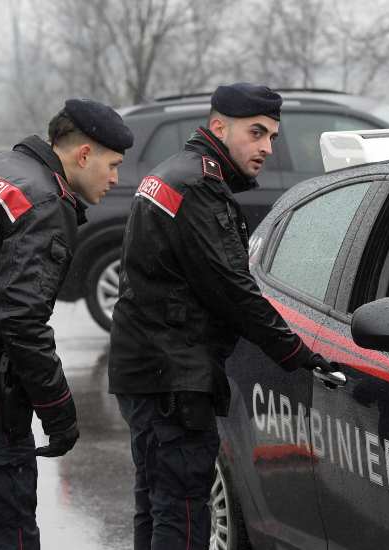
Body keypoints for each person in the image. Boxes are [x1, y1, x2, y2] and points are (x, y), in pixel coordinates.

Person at [108, 83, 335, 550]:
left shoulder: (172, 172)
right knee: (184, 510)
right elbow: (233, 288)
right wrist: (297, 352)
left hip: (146, 367)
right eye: (256, 133)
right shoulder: (200, 187)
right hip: (174, 375)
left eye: (271, 136)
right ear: (218, 126)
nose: (266, 148)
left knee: (156, 500)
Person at [0, 99, 134, 549]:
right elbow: (19, 318)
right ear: (83, 154)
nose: (116, 179)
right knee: (4, 535)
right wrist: (58, 411)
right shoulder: (45, 202)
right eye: (112, 165)